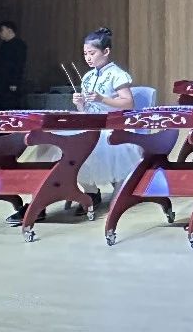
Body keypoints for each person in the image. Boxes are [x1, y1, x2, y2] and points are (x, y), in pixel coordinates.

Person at [20, 27, 138, 225]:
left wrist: (102, 99)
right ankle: (86, 191)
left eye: (92, 53)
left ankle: (95, 192)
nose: (88, 58)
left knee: (77, 144)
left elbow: (128, 103)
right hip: (89, 123)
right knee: (55, 142)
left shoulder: (117, 74)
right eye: (85, 54)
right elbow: (86, 110)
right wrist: (80, 103)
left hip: (109, 125)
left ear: (106, 51)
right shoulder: (88, 77)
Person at [0, 20, 27, 111]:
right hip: (1, 82)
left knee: (10, 106)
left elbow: (19, 64)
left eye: (1, 30)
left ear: (9, 30)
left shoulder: (19, 45)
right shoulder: (3, 45)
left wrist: (14, 82)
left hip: (11, 83)